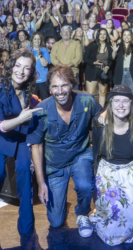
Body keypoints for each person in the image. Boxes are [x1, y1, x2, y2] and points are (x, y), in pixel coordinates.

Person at [28, 65, 105, 237]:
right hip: (55, 164)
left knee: (86, 186)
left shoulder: (86, 100)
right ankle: (61, 204)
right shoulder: (41, 111)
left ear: (72, 85)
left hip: (80, 155)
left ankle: (83, 213)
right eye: (55, 86)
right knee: (55, 222)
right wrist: (41, 183)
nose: (60, 91)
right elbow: (36, 146)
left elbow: (102, 114)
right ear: (49, 89)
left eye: (64, 85)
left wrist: (108, 117)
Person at [0, 48, 45, 242]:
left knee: (26, 171)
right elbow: (0, 126)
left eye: (27, 68)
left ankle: (27, 228)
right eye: (17, 66)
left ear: (32, 72)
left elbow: (33, 102)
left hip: (19, 135)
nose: (21, 71)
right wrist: (22, 117)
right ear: (10, 67)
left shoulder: (28, 89)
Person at [89, 85, 133, 245]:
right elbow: (94, 122)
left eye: (125, 101)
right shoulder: (100, 125)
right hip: (107, 171)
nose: (121, 105)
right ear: (109, 104)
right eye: (116, 101)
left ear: (131, 104)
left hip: (129, 170)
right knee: (112, 210)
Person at [112, 29, 133, 96]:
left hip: (131, 73)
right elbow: (112, 58)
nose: (126, 36)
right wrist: (114, 51)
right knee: (118, 93)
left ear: (131, 36)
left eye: (128, 35)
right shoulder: (119, 45)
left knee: (130, 93)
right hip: (120, 72)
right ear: (122, 36)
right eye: (125, 35)